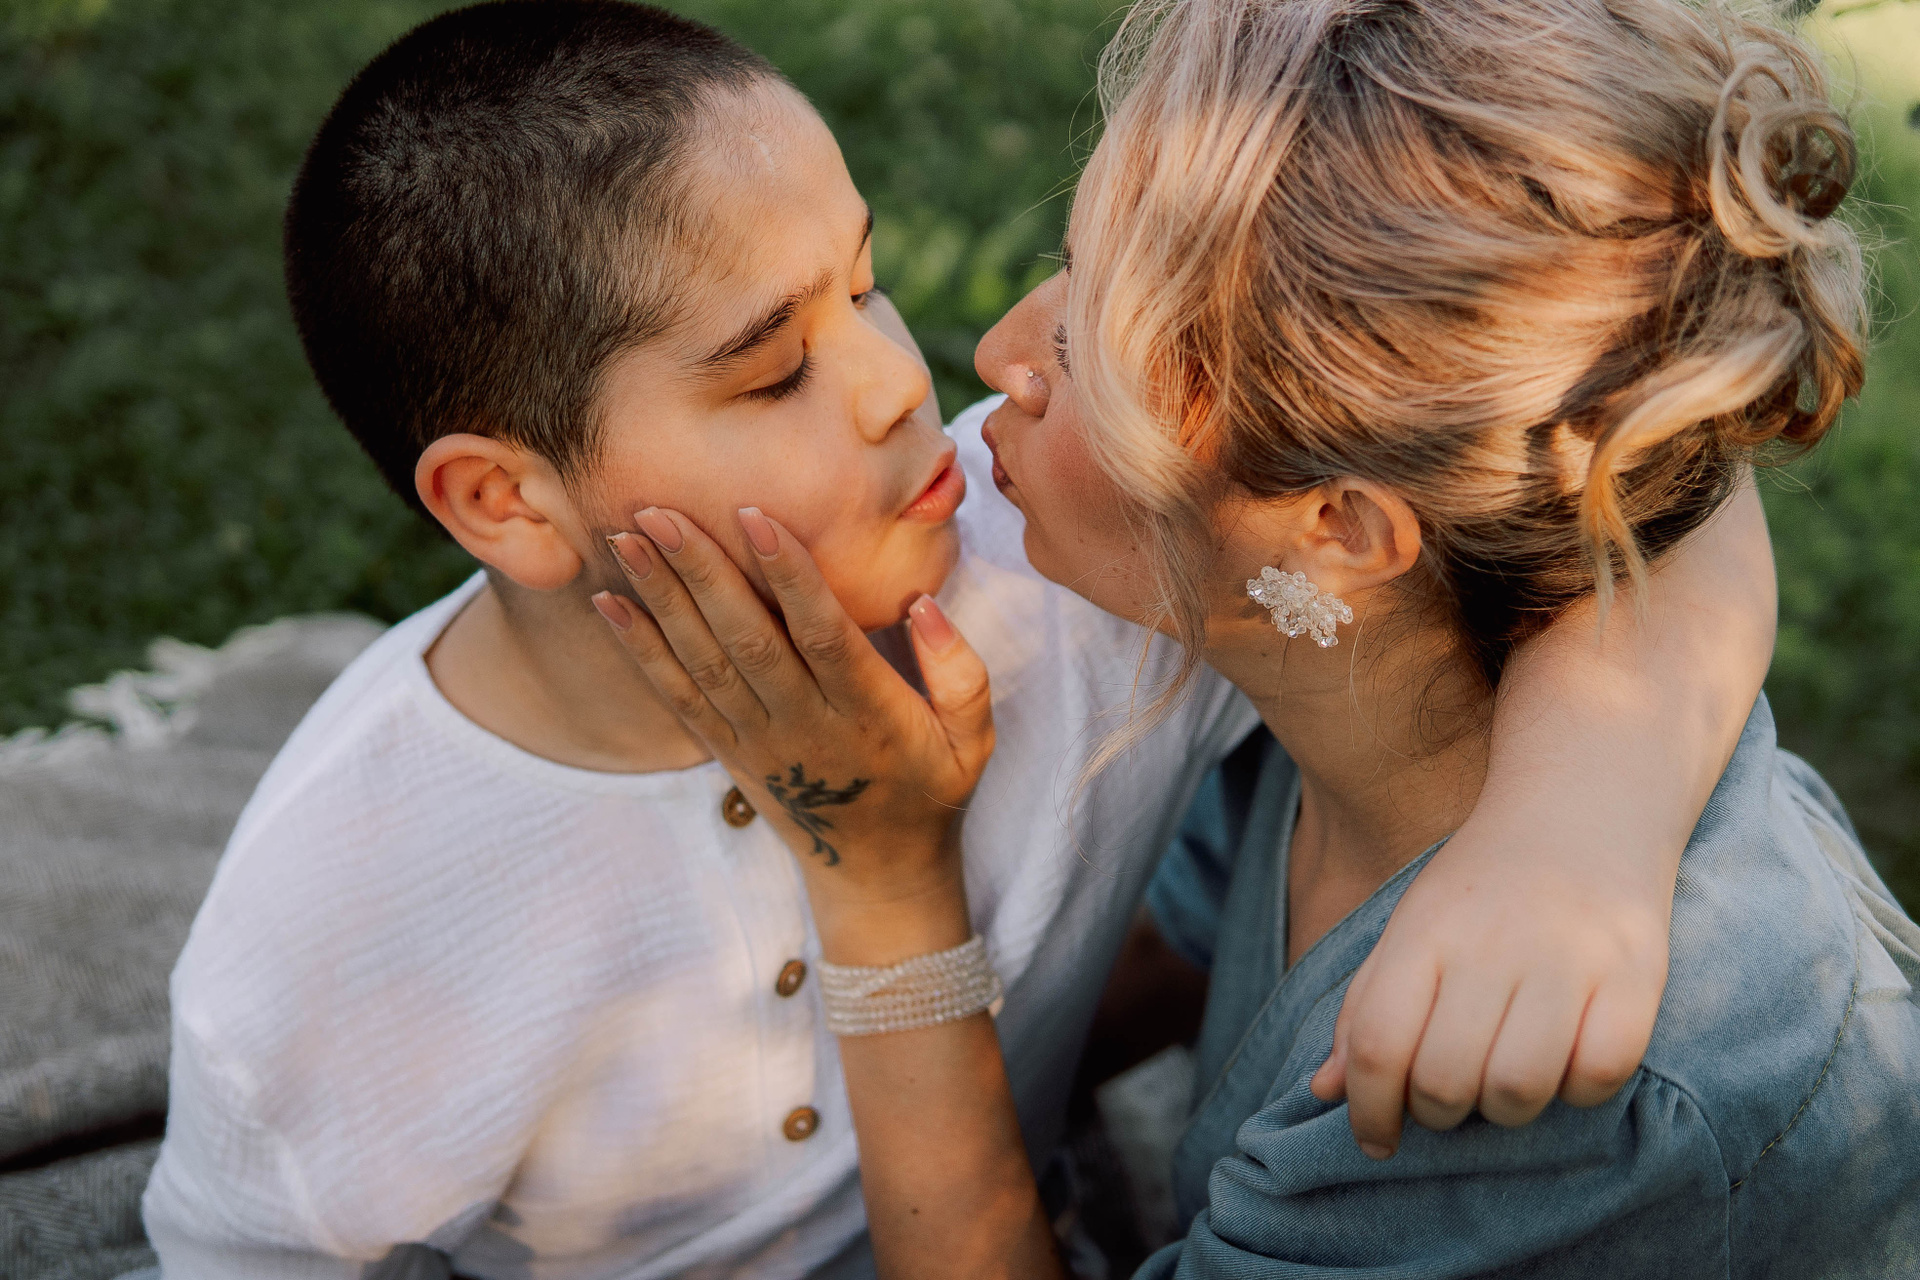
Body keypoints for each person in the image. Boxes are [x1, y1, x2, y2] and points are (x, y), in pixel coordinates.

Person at [144, 1, 1776, 1276]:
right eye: (772, 371)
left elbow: (1616, 464)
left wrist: (1577, 837)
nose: (901, 380)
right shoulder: (334, 934)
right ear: (504, 501)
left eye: (860, 286)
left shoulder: (1084, 548)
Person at [595, 0, 1920, 1275]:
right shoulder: (1404, 660)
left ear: (1336, 528)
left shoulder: (1526, 1091)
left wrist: (887, 895)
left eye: (1090, 347)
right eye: (1069, 265)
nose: (997, 354)